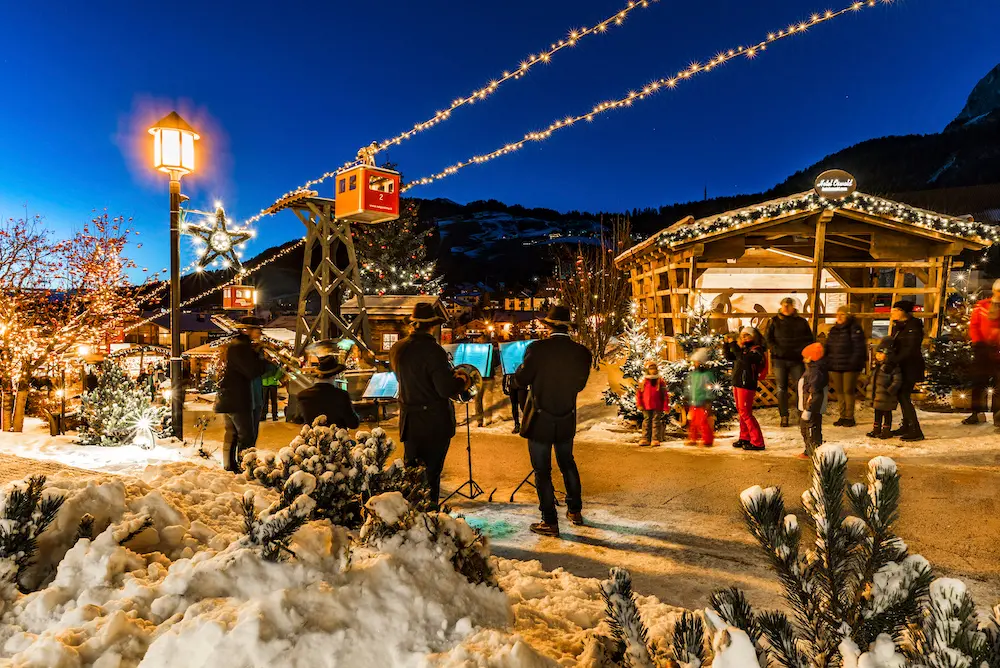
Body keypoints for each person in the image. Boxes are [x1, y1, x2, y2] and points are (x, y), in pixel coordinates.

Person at [515, 305, 592, 538]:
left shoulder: (537, 349)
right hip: (566, 417)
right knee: (567, 463)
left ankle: (549, 521)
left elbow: (521, 379)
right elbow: (579, 385)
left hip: (540, 419)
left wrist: (523, 368)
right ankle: (575, 511)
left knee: (542, 471)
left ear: (549, 326)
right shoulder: (582, 353)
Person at [390, 302, 471, 509]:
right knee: (431, 474)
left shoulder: (397, 348)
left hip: (409, 421)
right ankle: (429, 517)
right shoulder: (433, 351)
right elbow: (445, 389)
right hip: (433, 422)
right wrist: (462, 380)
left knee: (412, 474)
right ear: (432, 326)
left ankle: (410, 519)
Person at [215, 324, 269, 472]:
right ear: (250, 330)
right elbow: (251, 370)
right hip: (237, 399)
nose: (260, 333)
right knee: (246, 436)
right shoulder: (241, 347)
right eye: (258, 330)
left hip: (232, 398)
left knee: (233, 434)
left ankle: (231, 466)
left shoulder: (239, 345)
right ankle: (245, 468)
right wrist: (263, 361)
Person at [765, 297, 815, 427]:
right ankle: (784, 415)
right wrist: (776, 350)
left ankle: (801, 413)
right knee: (781, 388)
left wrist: (802, 351)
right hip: (779, 360)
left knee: (800, 387)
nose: (786, 307)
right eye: (784, 305)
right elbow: (768, 339)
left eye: (789, 305)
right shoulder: (774, 321)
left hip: (796, 359)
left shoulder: (801, 322)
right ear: (781, 306)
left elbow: (809, 339)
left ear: (793, 307)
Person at [724, 327, 767, 451]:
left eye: (747, 335)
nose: (744, 337)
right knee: (741, 411)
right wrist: (727, 345)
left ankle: (758, 441)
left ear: (754, 336)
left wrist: (734, 344)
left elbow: (744, 360)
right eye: (742, 335)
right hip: (738, 383)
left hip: (747, 384)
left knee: (745, 412)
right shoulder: (743, 349)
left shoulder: (756, 351)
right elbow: (730, 357)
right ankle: (745, 437)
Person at [965, 279, 1000, 427]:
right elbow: (974, 325)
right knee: (978, 382)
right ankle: (977, 413)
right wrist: (978, 342)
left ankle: (998, 415)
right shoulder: (982, 305)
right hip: (982, 349)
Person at [825, 305, 866, 427]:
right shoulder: (833, 330)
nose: (839, 317)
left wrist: (853, 363)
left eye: (842, 314)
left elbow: (858, 348)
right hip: (835, 365)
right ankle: (842, 416)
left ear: (848, 316)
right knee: (839, 391)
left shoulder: (854, 329)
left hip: (850, 366)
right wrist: (828, 361)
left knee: (848, 391)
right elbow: (828, 346)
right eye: (837, 314)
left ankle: (849, 416)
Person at [889, 300, 925, 442]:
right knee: (901, 396)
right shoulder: (898, 326)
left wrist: (895, 359)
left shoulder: (913, 326)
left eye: (895, 310)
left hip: (910, 366)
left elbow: (910, 349)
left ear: (903, 311)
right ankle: (907, 425)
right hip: (901, 366)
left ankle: (915, 429)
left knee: (904, 396)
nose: (892, 313)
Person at [296, 357, 360, 429]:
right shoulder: (341, 395)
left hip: (312, 438)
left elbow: (297, 419)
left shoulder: (302, 395)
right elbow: (353, 424)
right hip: (335, 438)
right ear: (334, 376)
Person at [797, 342, 828, 459]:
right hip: (808, 405)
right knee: (808, 428)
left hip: (812, 407)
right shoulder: (812, 369)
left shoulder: (816, 372)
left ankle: (811, 450)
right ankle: (811, 448)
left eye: (805, 356)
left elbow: (814, 393)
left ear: (811, 357)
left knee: (810, 428)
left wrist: (808, 409)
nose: (803, 359)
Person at [867, 338, 903, 439]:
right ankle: (876, 429)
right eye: (877, 353)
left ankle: (886, 430)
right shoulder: (877, 367)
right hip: (878, 395)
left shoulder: (892, 367)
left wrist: (890, 390)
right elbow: (872, 379)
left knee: (887, 414)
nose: (878, 356)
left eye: (881, 353)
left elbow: (897, 380)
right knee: (877, 413)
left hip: (887, 395)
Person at [685, 348, 714, 447]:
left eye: (696, 362)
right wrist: (688, 396)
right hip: (694, 401)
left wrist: (708, 399)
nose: (694, 364)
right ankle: (693, 438)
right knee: (693, 422)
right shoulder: (693, 375)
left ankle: (708, 439)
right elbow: (690, 387)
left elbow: (709, 387)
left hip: (702, 401)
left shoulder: (706, 375)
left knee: (702, 422)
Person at [635, 360, 668, 447]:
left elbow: (664, 394)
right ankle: (645, 438)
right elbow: (639, 394)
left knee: (656, 422)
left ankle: (655, 439)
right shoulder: (643, 381)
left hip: (657, 405)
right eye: (651, 369)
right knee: (646, 421)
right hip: (646, 406)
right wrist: (639, 404)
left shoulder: (660, 381)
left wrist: (665, 406)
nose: (653, 371)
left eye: (654, 368)